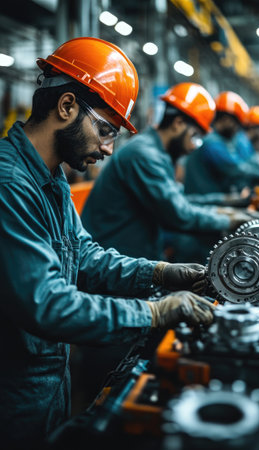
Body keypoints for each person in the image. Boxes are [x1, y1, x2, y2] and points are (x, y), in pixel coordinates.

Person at [0, 37, 217, 450]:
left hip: (47, 382)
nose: (108, 148)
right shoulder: (10, 184)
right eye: (104, 130)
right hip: (14, 394)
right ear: (66, 107)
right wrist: (153, 312)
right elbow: (45, 302)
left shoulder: (51, 177)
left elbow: (84, 255)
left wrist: (160, 272)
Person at [81, 82, 254, 262]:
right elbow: (179, 214)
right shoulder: (145, 155)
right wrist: (230, 220)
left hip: (134, 256)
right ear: (178, 123)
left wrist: (226, 206)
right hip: (113, 263)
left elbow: (180, 200)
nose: (192, 148)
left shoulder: (159, 153)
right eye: (195, 137)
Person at [184, 90, 259, 196]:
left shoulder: (219, 139)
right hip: (203, 202)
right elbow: (233, 168)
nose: (237, 131)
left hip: (210, 199)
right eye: (236, 125)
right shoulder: (212, 143)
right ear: (226, 120)